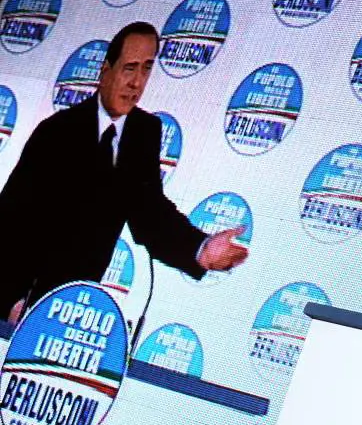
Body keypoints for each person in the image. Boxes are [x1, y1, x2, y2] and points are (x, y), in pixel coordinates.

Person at [0, 21, 248, 323]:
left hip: (75, 309)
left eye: (146, 69)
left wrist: (201, 248)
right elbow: (10, 221)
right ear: (105, 71)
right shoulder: (57, 131)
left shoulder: (144, 132)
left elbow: (150, 214)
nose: (136, 82)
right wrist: (11, 299)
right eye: (130, 68)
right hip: (23, 302)